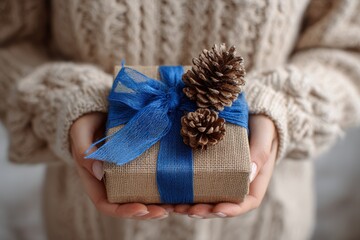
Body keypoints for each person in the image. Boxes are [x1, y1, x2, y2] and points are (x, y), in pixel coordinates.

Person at [0, 0, 359, 239]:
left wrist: (283, 106)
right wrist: (64, 100)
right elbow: (9, 41)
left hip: (264, 227)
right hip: (86, 227)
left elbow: (346, 48)